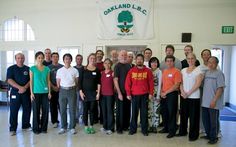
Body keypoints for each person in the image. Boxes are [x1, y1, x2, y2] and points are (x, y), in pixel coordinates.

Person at [125, 54, 154, 136]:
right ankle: (133, 129)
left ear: (143, 60)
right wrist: (128, 93)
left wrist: (151, 93)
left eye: (141, 59)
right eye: (138, 59)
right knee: (134, 113)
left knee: (144, 113)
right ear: (136, 60)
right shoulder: (131, 71)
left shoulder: (148, 71)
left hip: (144, 95)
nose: (139, 60)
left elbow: (151, 83)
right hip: (134, 95)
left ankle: (144, 130)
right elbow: (127, 83)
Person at [177, 53, 204, 141]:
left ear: (195, 60)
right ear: (186, 59)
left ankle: (193, 135)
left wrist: (188, 93)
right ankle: (182, 131)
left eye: (192, 58)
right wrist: (182, 92)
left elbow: (198, 84)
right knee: (183, 116)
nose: (190, 60)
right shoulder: (183, 70)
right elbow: (180, 83)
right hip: (184, 96)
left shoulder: (199, 70)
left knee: (193, 117)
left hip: (194, 97)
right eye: (188, 58)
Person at [201, 56, 225, 144]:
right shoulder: (206, 73)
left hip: (213, 102)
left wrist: (214, 100)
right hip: (205, 102)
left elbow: (220, 88)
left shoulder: (219, 74)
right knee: (205, 119)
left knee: (213, 121)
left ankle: (214, 137)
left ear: (216, 64)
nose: (210, 64)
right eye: (209, 62)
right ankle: (208, 134)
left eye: (213, 62)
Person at [7, 53, 31, 136]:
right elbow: (9, 80)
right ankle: (13, 129)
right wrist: (20, 88)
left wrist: (24, 87)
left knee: (27, 109)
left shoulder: (28, 69)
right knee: (14, 111)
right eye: (18, 58)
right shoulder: (11, 68)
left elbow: (31, 80)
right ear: (15, 59)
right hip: (15, 93)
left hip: (26, 93)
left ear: (24, 59)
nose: (20, 59)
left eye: (22, 58)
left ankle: (26, 126)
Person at [159, 55, 182, 138]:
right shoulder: (164, 71)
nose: (169, 62)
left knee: (172, 113)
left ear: (173, 62)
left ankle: (172, 130)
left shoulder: (177, 71)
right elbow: (162, 83)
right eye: (167, 61)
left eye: (171, 61)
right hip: (164, 94)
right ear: (165, 62)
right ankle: (166, 128)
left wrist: (166, 92)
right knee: (164, 112)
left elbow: (177, 85)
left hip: (172, 94)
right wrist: (161, 92)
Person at [56, 53, 79, 135]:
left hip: (72, 91)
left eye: (69, 58)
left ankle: (72, 127)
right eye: (66, 58)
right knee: (62, 110)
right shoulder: (59, 70)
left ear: (71, 60)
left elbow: (76, 82)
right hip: (62, 91)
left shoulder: (75, 70)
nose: (67, 60)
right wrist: (62, 88)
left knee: (72, 110)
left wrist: (71, 87)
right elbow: (58, 83)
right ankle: (63, 127)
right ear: (63, 60)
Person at [30, 51, 51, 134]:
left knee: (45, 111)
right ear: (36, 58)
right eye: (39, 57)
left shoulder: (47, 69)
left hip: (45, 93)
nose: (41, 59)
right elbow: (31, 81)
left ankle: (43, 128)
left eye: (42, 57)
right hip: (35, 92)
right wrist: (31, 93)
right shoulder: (32, 68)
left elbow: (48, 81)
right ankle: (35, 128)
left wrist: (49, 92)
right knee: (36, 111)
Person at [79, 53, 101, 134]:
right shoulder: (83, 69)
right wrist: (81, 92)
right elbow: (80, 82)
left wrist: (98, 93)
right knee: (85, 110)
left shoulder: (97, 70)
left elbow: (99, 83)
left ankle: (91, 126)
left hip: (93, 93)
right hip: (84, 93)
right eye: (91, 58)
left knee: (92, 110)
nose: (92, 59)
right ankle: (85, 126)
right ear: (88, 59)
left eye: (94, 58)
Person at [114, 50, 131, 134]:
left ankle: (126, 126)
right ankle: (119, 128)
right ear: (119, 56)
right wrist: (119, 93)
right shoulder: (117, 66)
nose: (124, 56)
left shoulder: (129, 65)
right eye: (122, 55)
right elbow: (115, 80)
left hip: (128, 93)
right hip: (120, 93)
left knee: (127, 110)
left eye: (125, 55)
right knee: (120, 111)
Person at [48, 52, 63, 128]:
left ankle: (63, 121)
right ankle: (54, 121)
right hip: (52, 89)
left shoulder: (62, 67)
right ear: (51, 58)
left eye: (56, 56)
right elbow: (47, 79)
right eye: (53, 57)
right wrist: (53, 87)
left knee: (62, 106)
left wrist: (59, 86)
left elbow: (64, 78)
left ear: (58, 58)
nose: (55, 58)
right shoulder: (48, 67)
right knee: (53, 106)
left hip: (61, 90)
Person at [100, 58, 115, 135]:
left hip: (110, 95)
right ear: (103, 64)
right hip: (102, 95)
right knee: (104, 111)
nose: (107, 64)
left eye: (109, 63)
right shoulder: (101, 73)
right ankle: (105, 126)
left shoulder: (113, 73)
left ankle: (111, 128)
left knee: (110, 111)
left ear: (111, 64)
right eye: (105, 63)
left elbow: (115, 85)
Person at [148, 57, 162, 133]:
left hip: (157, 93)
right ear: (150, 63)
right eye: (152, 62)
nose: (154, 64)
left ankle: (155, 126)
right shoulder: (148, 71)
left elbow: (160, 84)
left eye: (155, 62)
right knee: (150, 110)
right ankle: (150, 126)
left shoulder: (159, 72)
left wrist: (158, 95)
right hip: (149, 93)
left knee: (156, 110)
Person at [74, 54, 84, 125]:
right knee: (76, 104)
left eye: (80, 59)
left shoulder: (85, 68)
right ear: (75, 60)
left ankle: (83, 117)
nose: (79, 60)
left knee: (83, 104)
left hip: (83, 89)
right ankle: (76, 118)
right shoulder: (73, 68)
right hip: (75, 89)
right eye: (78, 59)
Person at [95, 50, 104, 124]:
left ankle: (102, 118)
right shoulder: (93, 64)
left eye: (101, 54)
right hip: (94, 86)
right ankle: (95, 118)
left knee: (101, 103)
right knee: (94, 103)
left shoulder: (104, 64)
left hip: (103, 86)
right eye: (98, 54)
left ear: (102, 55)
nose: (99, 55)